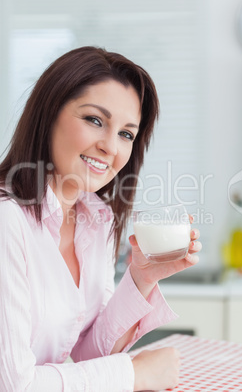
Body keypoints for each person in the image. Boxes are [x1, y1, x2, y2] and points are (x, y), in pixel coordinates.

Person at [0, 46, 201, 391]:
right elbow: (14, 385)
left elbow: (88, 354)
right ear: (48, 114)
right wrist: (134, 374)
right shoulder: (7, 221)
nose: (111, 147)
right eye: (95, 120)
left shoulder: (96, 218)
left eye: (126, 134)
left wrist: (141, 278)